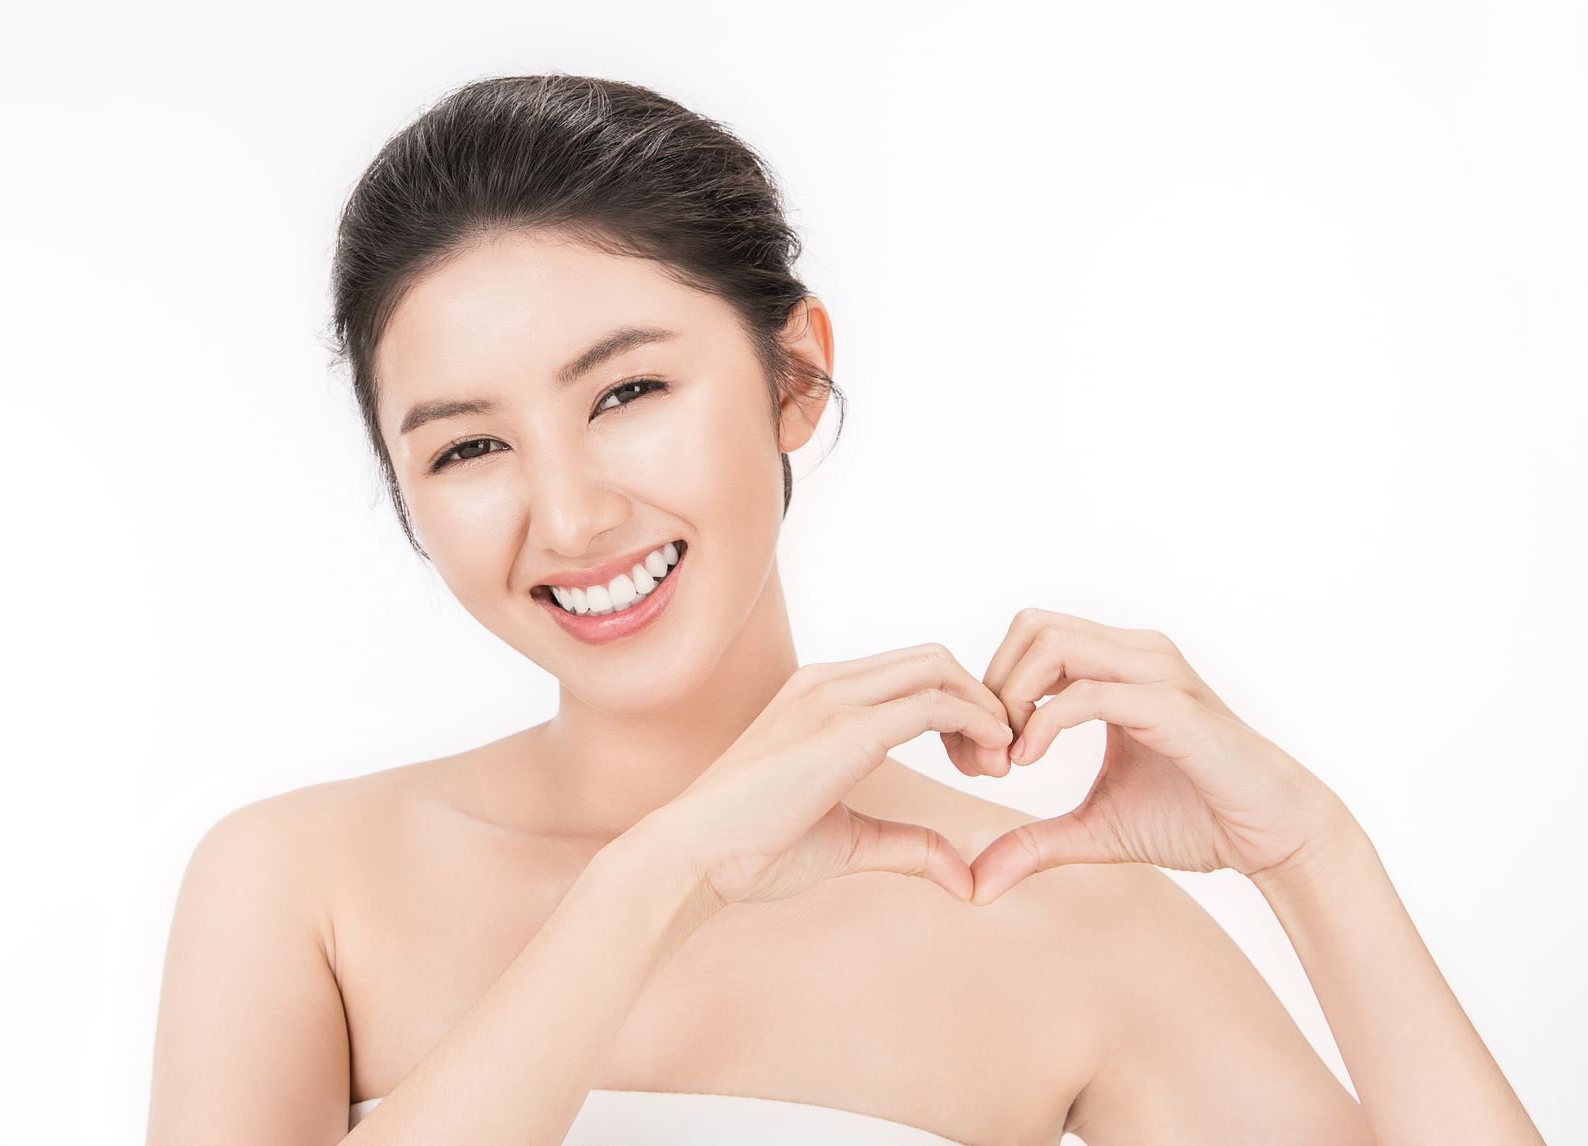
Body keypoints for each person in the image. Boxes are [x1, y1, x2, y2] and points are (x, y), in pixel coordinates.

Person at [144, 74, 1545, 1145]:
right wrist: (660, 876)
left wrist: (1312, 852)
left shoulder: (1056, 923)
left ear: (795, 376)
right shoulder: (299, 886)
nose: (567, 519)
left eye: (627, 392)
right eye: (468, 448)